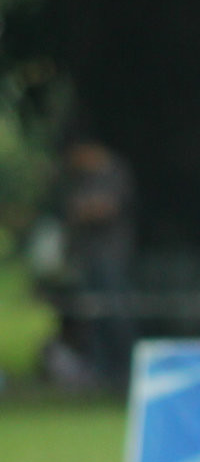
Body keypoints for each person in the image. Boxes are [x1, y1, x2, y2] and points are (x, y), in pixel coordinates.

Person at [58, 139, 135, 385]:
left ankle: (124, 369)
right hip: (90, 256)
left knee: (116, 313)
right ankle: (101, 370)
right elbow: (75, 208)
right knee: (93, 316)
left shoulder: (115, 172)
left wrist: (88, 209)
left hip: (112, 256)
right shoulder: (84, 178)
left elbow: (106, 208)